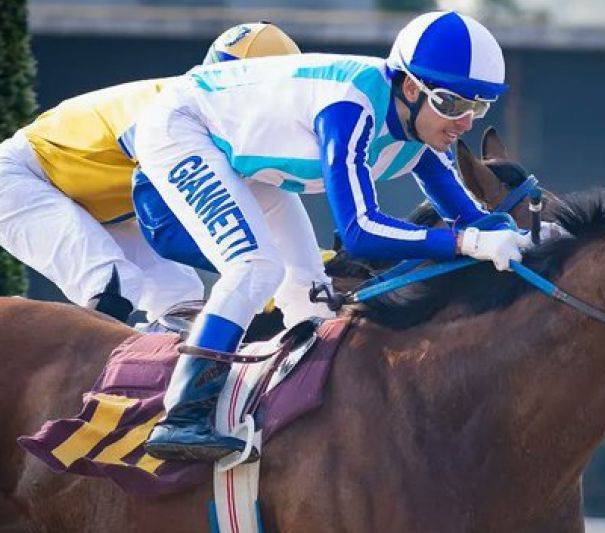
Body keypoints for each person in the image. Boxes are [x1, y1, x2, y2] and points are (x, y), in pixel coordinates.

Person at [138, 11, 531, 462]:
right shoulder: (349, 109)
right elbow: (359, 231)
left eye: (477, 107)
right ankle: (182, 415)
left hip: (244, 154)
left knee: (312, 297)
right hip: (184, 128)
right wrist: (466, 244)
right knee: (256, 267)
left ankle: (289, 426)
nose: (464, 122)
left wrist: (528, 237)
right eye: (452, 105)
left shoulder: (421, 129)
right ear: (410, 88)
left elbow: (471, 218)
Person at [0, 22, 301, 323]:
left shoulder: (219, 129)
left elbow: (264, 210)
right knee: (113, 285)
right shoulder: (168, 113)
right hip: (21, 178)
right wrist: (258, 270)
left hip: (96, 205)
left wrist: (302, 265)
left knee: (181, 301)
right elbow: (163, 225)